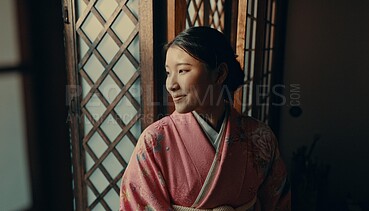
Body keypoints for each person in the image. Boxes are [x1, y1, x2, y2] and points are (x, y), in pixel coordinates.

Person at [119, 26, 291, 211]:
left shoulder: (260, 137)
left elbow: (277, 203)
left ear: (219, 74)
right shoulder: (154, 141)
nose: (171, 84)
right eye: (168, 73)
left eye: (183, 71)